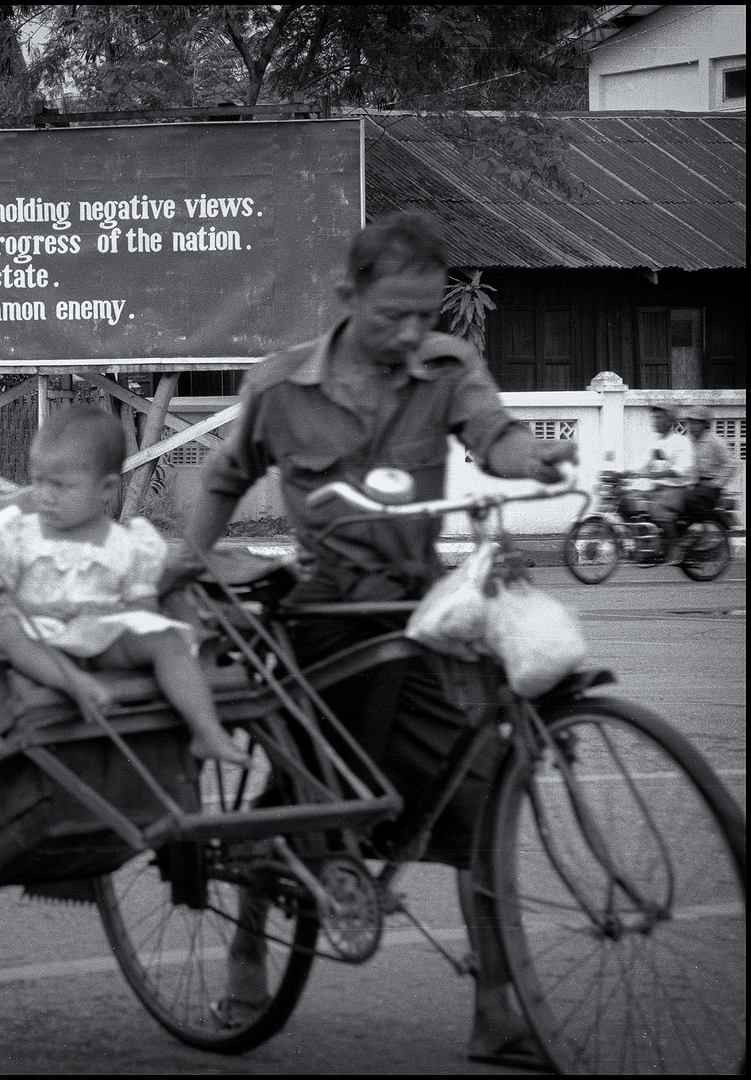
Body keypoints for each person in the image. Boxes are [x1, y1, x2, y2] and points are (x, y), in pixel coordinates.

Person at [182, 211, 576, 1069]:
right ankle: (248, 948)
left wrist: (531, 459)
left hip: (424, 610)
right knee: (296, 798)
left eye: (425, 315)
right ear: (346, 296)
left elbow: (493, 437)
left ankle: (498, 1010)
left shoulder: (447, 366)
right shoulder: (281, 387)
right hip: (324, 613)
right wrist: (188, 567)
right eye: (390, 314)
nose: (409, 333)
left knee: (481, 802)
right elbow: (221, 480)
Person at [0, 407, 248, 765]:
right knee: (4, 628)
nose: (44, 496)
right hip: (38, 631)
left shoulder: (128, 544)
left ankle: (206, 730)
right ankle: (72, 682)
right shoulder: (17, 534)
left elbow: (144, 609)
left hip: (101, 634)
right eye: (38, 480)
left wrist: (114, 613)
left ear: (105, 488)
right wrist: (34, 609)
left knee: (165, 638)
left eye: (60, 486)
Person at [642, 405, 693, 561]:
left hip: (677, 490)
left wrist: (661, 473)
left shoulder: (681, 441)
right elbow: (645, 465)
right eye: (654, 418)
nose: (655, 421)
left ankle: (675, 545)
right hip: (660, 489)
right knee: (632, 500)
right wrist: (625, 473)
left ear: (669, 420)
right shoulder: (656, 443)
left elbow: (684, 469)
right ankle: (648, 545)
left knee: (656, 507)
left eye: (659, 417)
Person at [680, 405, 735, 520]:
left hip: (710, 487)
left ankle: (713, 519)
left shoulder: (716, 442)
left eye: (697, 423)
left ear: (705, 424)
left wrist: (715, 483)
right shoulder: (686, 440)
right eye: (691, 423)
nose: (693, 427)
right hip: (692, 484)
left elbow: (730, 464)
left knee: (689, 498)